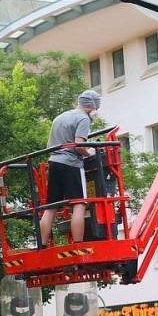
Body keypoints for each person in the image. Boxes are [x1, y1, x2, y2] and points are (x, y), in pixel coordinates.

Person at [39, 90, 101, 248]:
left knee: (50, 207)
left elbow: (49, 146)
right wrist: (89, 153)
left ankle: (42, 244)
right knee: (79, 204)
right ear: (93, 107)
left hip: (54, 162)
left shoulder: (59, 117)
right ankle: (78, 244)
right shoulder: (83, 119)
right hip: (71, 164)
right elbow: (79, 144)